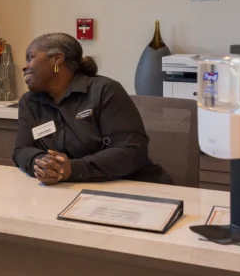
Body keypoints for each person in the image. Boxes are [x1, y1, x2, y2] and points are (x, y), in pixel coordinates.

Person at [13, 32, 172, 185]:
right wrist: (41, 163)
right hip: (68, 189)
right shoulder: (29, 102)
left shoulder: (105, 91)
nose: (24, 67)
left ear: (57, 59)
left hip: (133, 186)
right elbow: (22, 150)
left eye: (30, 58)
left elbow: (131, 151)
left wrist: (71, 169)